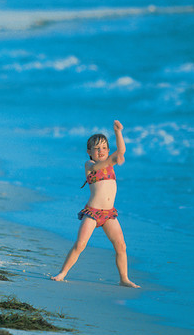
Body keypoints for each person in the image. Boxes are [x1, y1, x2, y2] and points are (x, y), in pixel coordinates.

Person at [51, 120, 139, 288]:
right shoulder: (90, 165)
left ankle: (124, 278)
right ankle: (62, 273)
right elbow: (103, 164)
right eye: (97, 148)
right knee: (80, 244)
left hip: (109, 214)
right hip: (93, 212)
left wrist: (118, 132)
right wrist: (113, 159)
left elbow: (121, 151)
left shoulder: (109, 161)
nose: (101, 151)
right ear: (89, 152)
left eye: (104, 148)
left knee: (121, 245)